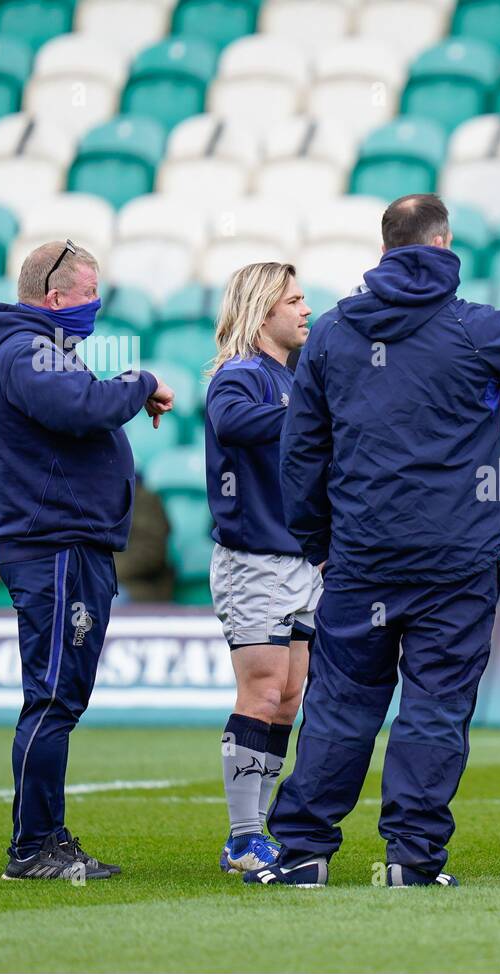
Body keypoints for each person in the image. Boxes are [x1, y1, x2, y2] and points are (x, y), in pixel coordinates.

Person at [250, 193, 500, 888]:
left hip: (361, 556)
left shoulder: (330, 333)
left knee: (341, 703)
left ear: (385, 249)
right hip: (456, 558)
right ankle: (410, 859)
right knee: (435, 706)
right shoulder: (475, 327)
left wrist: (316, 539)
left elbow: (300, 453)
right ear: (444, 245)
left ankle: (301, 854)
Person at [0, 239, 175, 880]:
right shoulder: (29, 351)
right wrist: (138, 381)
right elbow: (79, 408)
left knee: (56, 696)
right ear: (56, 298)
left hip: (66, 545)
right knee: (53, 698)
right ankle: (34, 847)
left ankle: (43, 838)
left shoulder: (39, 350)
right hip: (55, 548)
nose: (96, 305)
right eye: (90, 294)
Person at [203, 262, 319, 873]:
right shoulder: (242, 372)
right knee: (265, 689)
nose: (305, 310)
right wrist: (313, 421)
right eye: (294, 300)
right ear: (262, 309)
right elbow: (231, 420)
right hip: (256, 560)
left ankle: (259, 830)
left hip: (297, 560)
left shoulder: (291, 374)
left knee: (290, 694)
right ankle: (243, 836)